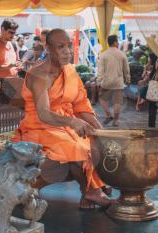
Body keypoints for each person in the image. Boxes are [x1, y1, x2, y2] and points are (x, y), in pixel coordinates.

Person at [11, 28, 115, 209]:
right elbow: (43, 114)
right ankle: (91, 191)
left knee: (96, 141)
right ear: (49, 49)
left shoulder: (70, 72)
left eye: (68, 46)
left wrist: (100, 129)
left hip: (63, 126)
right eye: (61, 47)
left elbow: (80, 105)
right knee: (75, 145)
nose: (67, 51)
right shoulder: (39, 75)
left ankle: (90, 191)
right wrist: (73, 122)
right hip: (38, 128)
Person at [97, 35, 131, 127]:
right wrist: (128, 79)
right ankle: (116, 121)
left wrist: (98, 81)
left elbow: (100, 70)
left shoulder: (103, 55)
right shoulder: (122, 54)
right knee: (117, 102)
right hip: (118, 82)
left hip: (106, 82)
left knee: (102, 98)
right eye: (117, 41)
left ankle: (108, 114)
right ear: (115, 42)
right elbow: (126, 69)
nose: (118, 43)